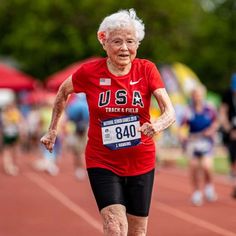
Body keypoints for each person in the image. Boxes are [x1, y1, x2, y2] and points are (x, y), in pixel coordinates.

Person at [40, 9, 175, 235]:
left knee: (137, 231)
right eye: (117, 41)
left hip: (140, 159)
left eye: (130, 41)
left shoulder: (147, 70)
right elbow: (63, 92)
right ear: (104, 42)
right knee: (115, 226)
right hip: (102, 159)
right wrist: (52, 130)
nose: (124, 48)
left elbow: (169, 111)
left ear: (137, 44)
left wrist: (158, 125)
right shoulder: (89, 72)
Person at [179, 85, 218, 206]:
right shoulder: (188, 110)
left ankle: (209, 186)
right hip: (193, 141)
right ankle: (196, 192)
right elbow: (182, 126)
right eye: (195, 95)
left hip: (206, 141)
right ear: (192, 96)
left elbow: (216, 122)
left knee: (207, 166)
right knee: (194, 167)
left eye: (200, 95)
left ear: (203, 96)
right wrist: (182, 136)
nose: (198, 97)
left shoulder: (209, 108)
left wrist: (211, 130)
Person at [219, 73, 236, 198]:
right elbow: (223, 113)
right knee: (233, 158)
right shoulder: (227, 95)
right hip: (231, 131)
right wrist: (229, 129)